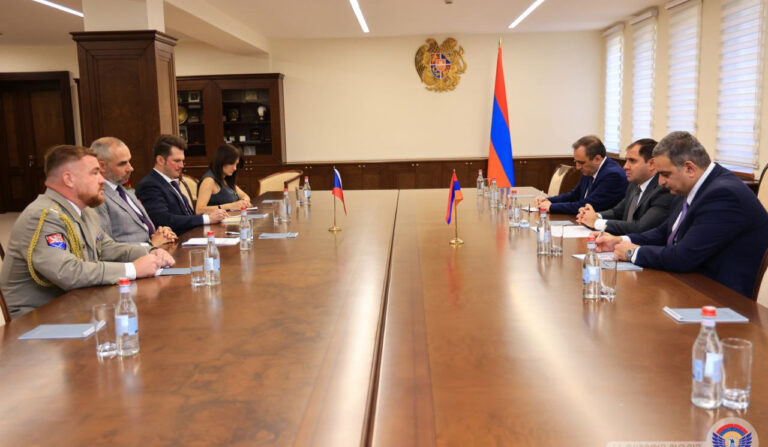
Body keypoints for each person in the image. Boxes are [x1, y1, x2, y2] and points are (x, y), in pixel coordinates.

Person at [0, 145, 175, 317]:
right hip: (38, 320)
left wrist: (150, 252)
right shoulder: (43, 216)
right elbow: (67, 272)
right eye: (94, 173)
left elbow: (107, 248)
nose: (102, 180)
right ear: (69, 179)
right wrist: (132, 269)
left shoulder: (85, 211)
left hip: (77, 305)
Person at [596, 131, 768, 297]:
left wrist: (632, 253)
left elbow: (684, 257)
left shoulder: (724, 195)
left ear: (689, 169)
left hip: (723, 296)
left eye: (665, 174)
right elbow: (664, 233)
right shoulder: (690, 186)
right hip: (691, 282)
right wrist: (621, 240)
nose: (660, 182)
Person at [576, 138, 678, 235]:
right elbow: (617, 212)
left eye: (632, 161)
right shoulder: (634, 183)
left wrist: (596, 222)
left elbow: (640, 227)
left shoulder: (663, 189)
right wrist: (594, 216)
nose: (625, 166)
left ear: (652, 164)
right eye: (626, 160)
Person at [91, 137, 177, 246]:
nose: (130, 168)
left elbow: (144, 228)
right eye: (122, 163)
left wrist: (162, 233)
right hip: (138, 255)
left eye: (129, 161)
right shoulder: (97, 197)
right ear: (102, 166)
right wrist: (151, 245)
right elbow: (105, 247)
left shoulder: (125, 190)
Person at [136, 135, 228, 235]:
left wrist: (211, 216)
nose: (182, 165)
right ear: (160, 160)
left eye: (182, 161)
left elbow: (187, 215)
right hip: (177, 241)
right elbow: (163, 220)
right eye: (177, 161)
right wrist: (207, 218)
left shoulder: (170, 181)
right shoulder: (149, 185)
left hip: (192, 235)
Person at [534, 135, 627, 215]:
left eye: (581, 163)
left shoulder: (613, 175)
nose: (577, 167)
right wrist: (548, 200)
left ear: (597, 159)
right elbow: (574, 195)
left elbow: (587, 206)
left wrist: (551, 207)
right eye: (576, 162)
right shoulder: (590, 169)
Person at [195, 144, 252, 214]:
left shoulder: (226, 179)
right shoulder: (209, 180)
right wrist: (231, 206)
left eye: (236, 164)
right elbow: (199, 210)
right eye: (232, 164)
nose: (235, 168)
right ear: (222, 161)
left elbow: (245, 196)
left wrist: (243, 202)